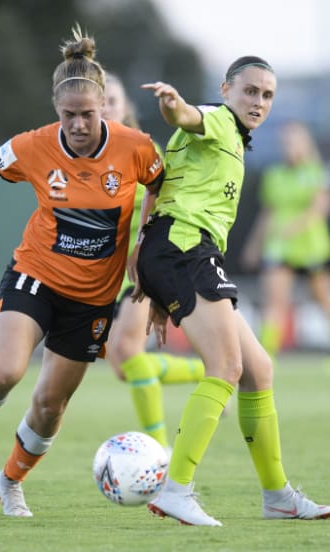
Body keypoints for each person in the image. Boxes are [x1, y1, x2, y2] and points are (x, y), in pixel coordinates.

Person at [0, 25, 163, 517]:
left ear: (103, 110)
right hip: (36, 276)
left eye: (88, 114)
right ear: (57, 110)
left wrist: (142, 236)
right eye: (69, 115)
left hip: (94, 298)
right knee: (4, 372)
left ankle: (10, 482)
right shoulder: (32, 146)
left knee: (51, 405)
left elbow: (160, 184)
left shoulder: (135, 146)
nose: (78, 124)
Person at [133, 57, 330, 526]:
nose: (258, 101)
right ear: (226, 90)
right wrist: (173, 104)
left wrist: (150, 275)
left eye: (267, 95)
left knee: (258, 370)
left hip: (178, 252)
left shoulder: (232, 140)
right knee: (227, 366)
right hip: (184, 248)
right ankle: (176, 489)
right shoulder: (218, 120)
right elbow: (188, 116)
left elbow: (156, 192)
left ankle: (277, 496)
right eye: (250, 91)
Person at [103, 73, 205, 452]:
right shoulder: (81, 156)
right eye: (100, 101)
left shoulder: (144, 150)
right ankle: (205, 372)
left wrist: (146, 254)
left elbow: (161, 205)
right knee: (121, 366)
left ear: (125, 105)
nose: (105, 107)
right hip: (103, 275)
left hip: (138, 267)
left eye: (112, 100)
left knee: (129, 354)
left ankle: (158, 453)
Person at [241, 121, 330, 358]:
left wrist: (295, 227)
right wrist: (254, 244)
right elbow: (267, 214)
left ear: (305, 143)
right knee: (275, 303)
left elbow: (320, 208)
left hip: (311, 245)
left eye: (293, 142)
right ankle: (266, 358)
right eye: (285, 143)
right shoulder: (275, 174)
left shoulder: (317, 172)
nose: (288, 147)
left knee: (324, 300)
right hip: (278, 246)